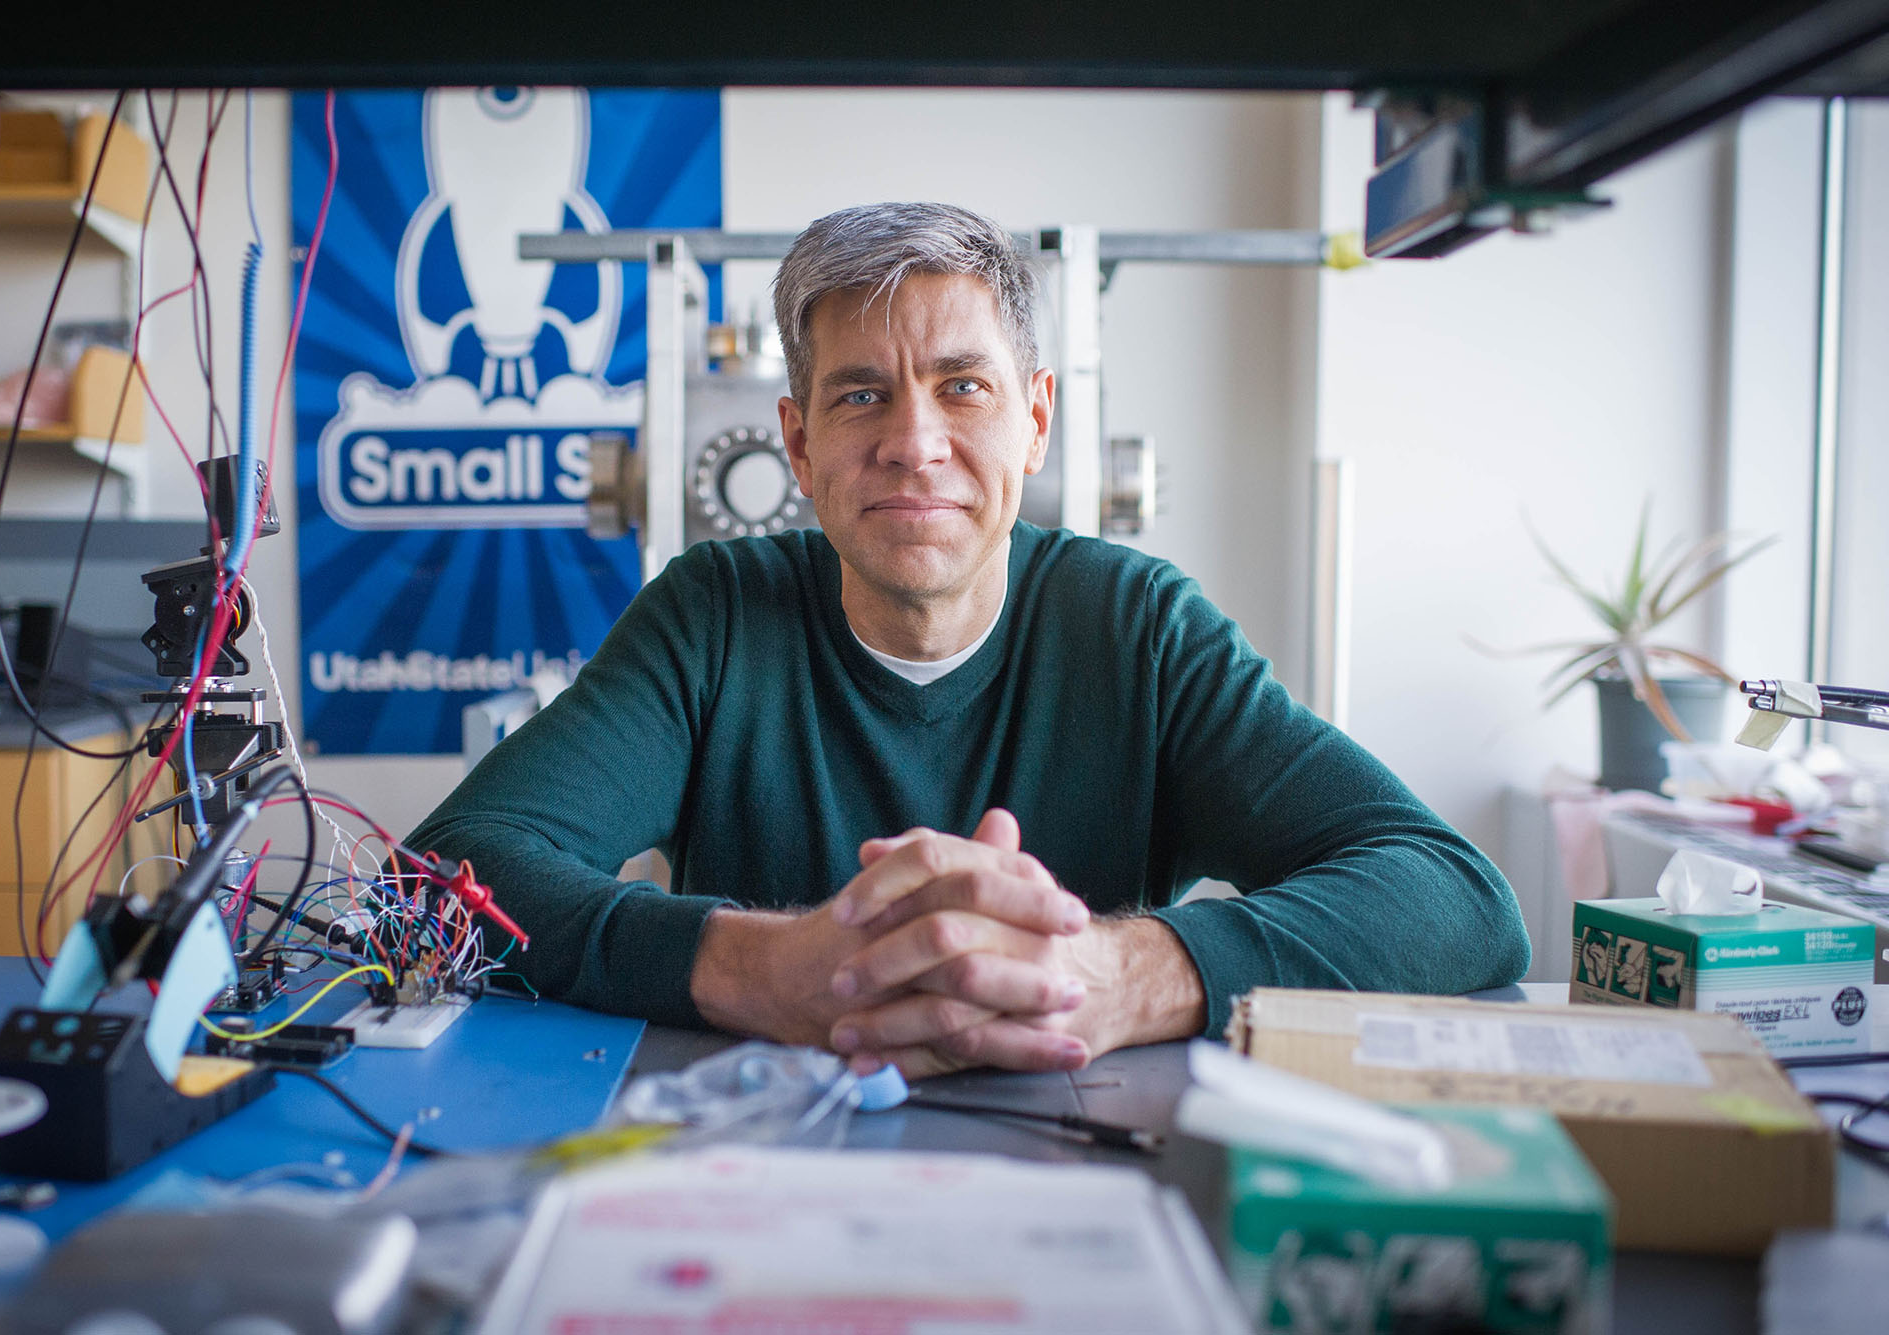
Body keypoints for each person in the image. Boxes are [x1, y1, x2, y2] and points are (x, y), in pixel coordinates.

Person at [409, 202, 1530, 1079]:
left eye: (963, 388)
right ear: (794, 444)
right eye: (859, 397)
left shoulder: (1138, 629)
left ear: (1034, 417)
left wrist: (1120, 974)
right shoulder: (713, 616)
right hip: (760, 1165)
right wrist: (758, 968)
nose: (914, 444)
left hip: (1092, 1163)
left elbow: (1451, 895)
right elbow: (444, 876)